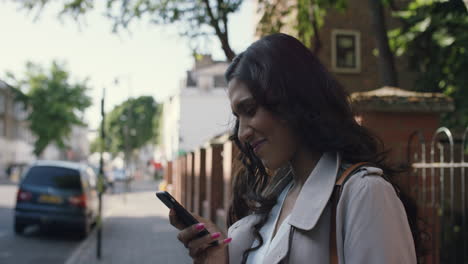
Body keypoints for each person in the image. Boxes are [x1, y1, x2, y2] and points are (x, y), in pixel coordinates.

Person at [169, 33, 417, 264]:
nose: (242, 133)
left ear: (290, 99)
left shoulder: (365, 193)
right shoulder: (273, 198)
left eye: (250, 109)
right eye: (238, 117)